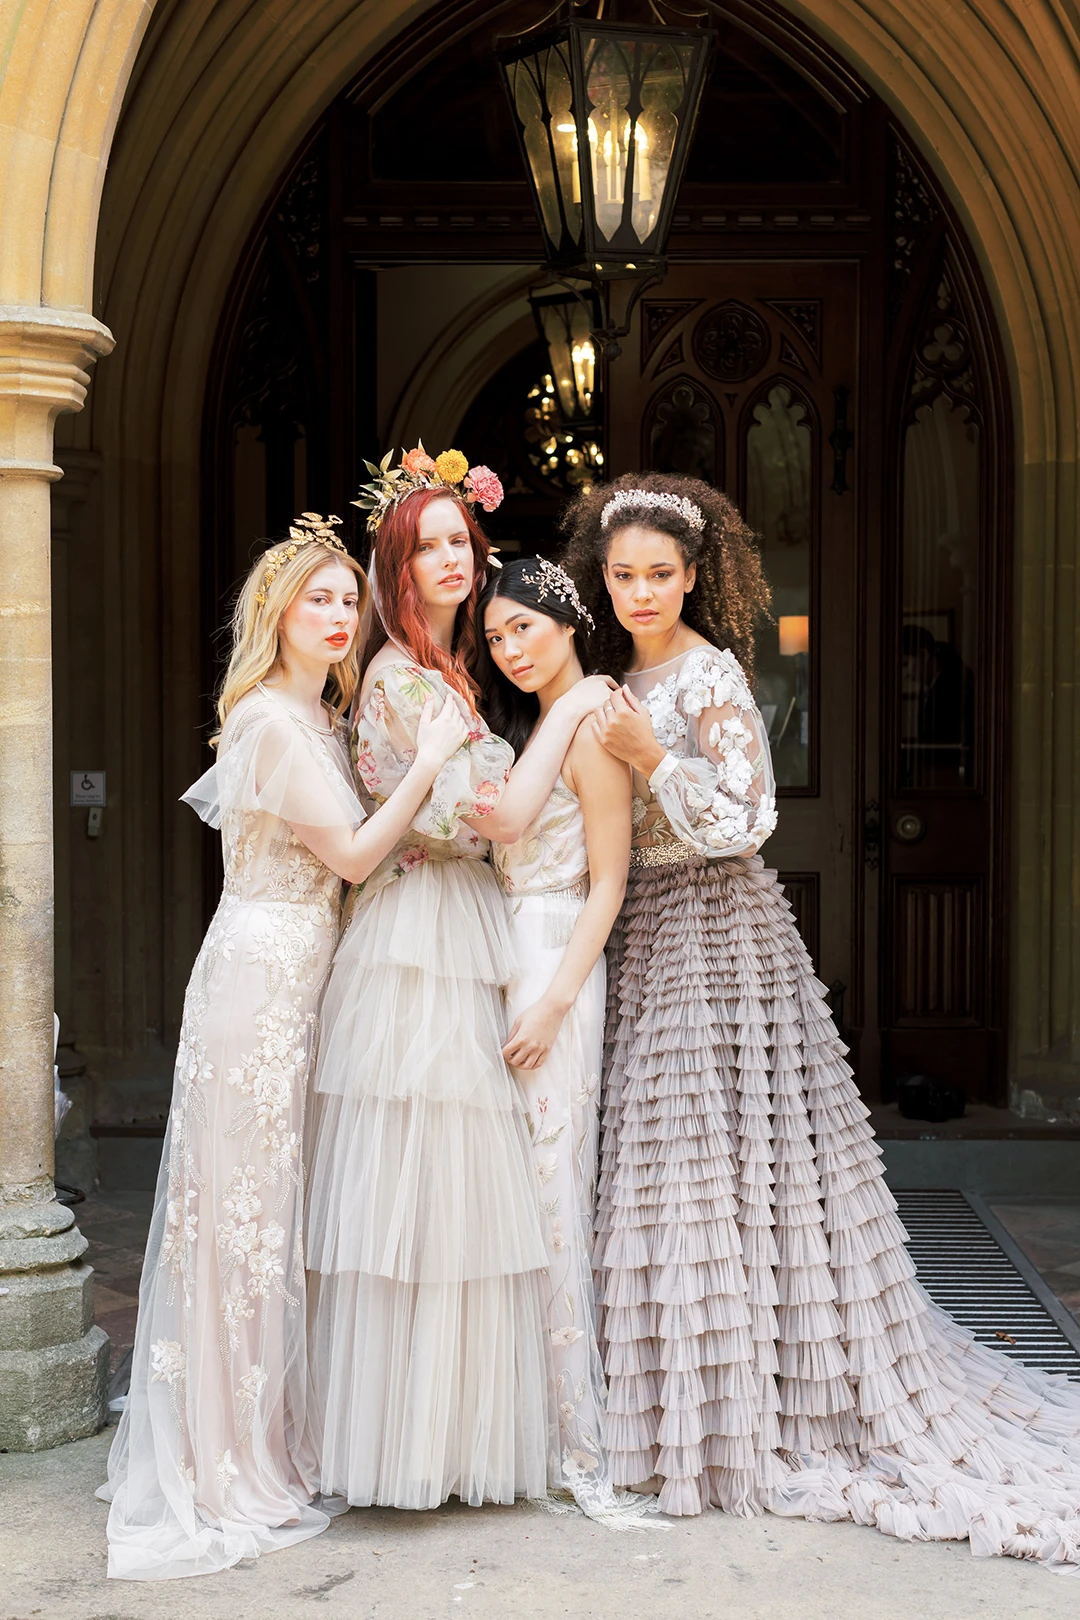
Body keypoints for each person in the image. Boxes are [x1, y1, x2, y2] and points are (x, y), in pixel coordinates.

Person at [561, 471, 1080, 1569]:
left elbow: (748, 820)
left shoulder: (706, 678)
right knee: (664, 1166)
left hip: (721, 936)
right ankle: (678, 1409)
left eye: (660, 574)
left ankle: (748, 1410)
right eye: (622, 576)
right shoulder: (613, 674)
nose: (640, 592)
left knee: (723, 1166)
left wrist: (653, 759)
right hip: (647, 933)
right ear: (600, 579)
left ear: (696, 576)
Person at [98, 515, 471, 1579]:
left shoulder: (322, 715)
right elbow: (352, 855)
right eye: (317, 598)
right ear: (275, 613)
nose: (339, 613)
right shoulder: (267, 719)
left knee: (275, 1220)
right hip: (259, 981)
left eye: (349, 600)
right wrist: (434, 757)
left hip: (306, 980)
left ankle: (264, 1436)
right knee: (242, 1224)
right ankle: (224, 1462)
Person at [304, 450, 616, 1511]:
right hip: (422, 932)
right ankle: (409, 1446)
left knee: (465, 1192)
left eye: (460, 544)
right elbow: (484, 816)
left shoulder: (459, 674)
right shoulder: (401, 677)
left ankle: (461, 1433)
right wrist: (575, 712)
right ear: (395, 565)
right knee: (425, 1191)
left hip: (469, 920)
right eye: (427, 546)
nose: (451, 561)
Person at [478, 556, 657, 1527]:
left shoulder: (592, 721)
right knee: (505, 1194)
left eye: (523, 629)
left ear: (565, 621)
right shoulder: (543, 718)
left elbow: (610, 882)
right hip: (501, 953)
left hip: (556, 963)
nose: (509, 650)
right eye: (497, 636)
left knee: (551, 1191)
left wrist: (553, 1003)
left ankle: (569, 1438)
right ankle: (506, 1424)